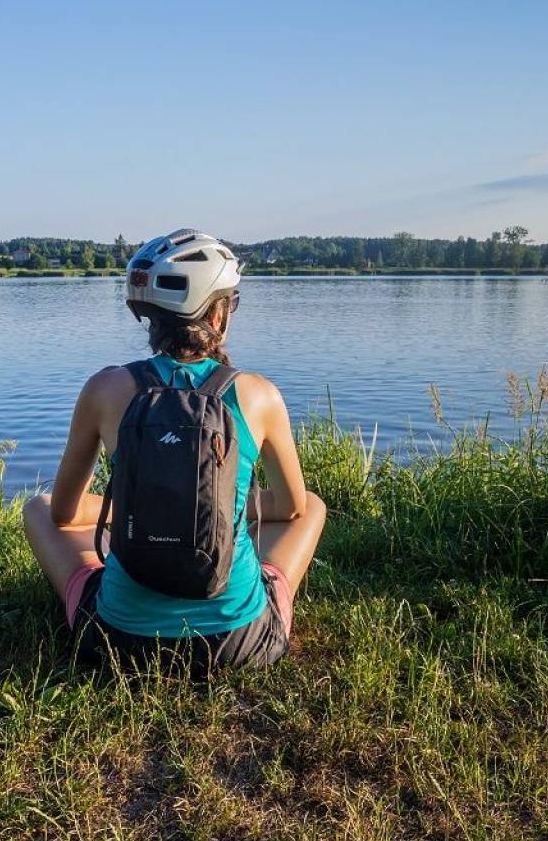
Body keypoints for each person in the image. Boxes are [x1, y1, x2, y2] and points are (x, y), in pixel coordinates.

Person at [23, 229, 327, 675]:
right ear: (218, 316)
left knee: (39, 507)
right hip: (240, 644)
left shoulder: (104, 390)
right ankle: (259, 598)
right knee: (312, 506)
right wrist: (218, 511)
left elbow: (65, 515)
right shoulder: (259, 395)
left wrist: (136, 512)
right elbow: (290, 506)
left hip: (119, 643)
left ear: (150, 316)